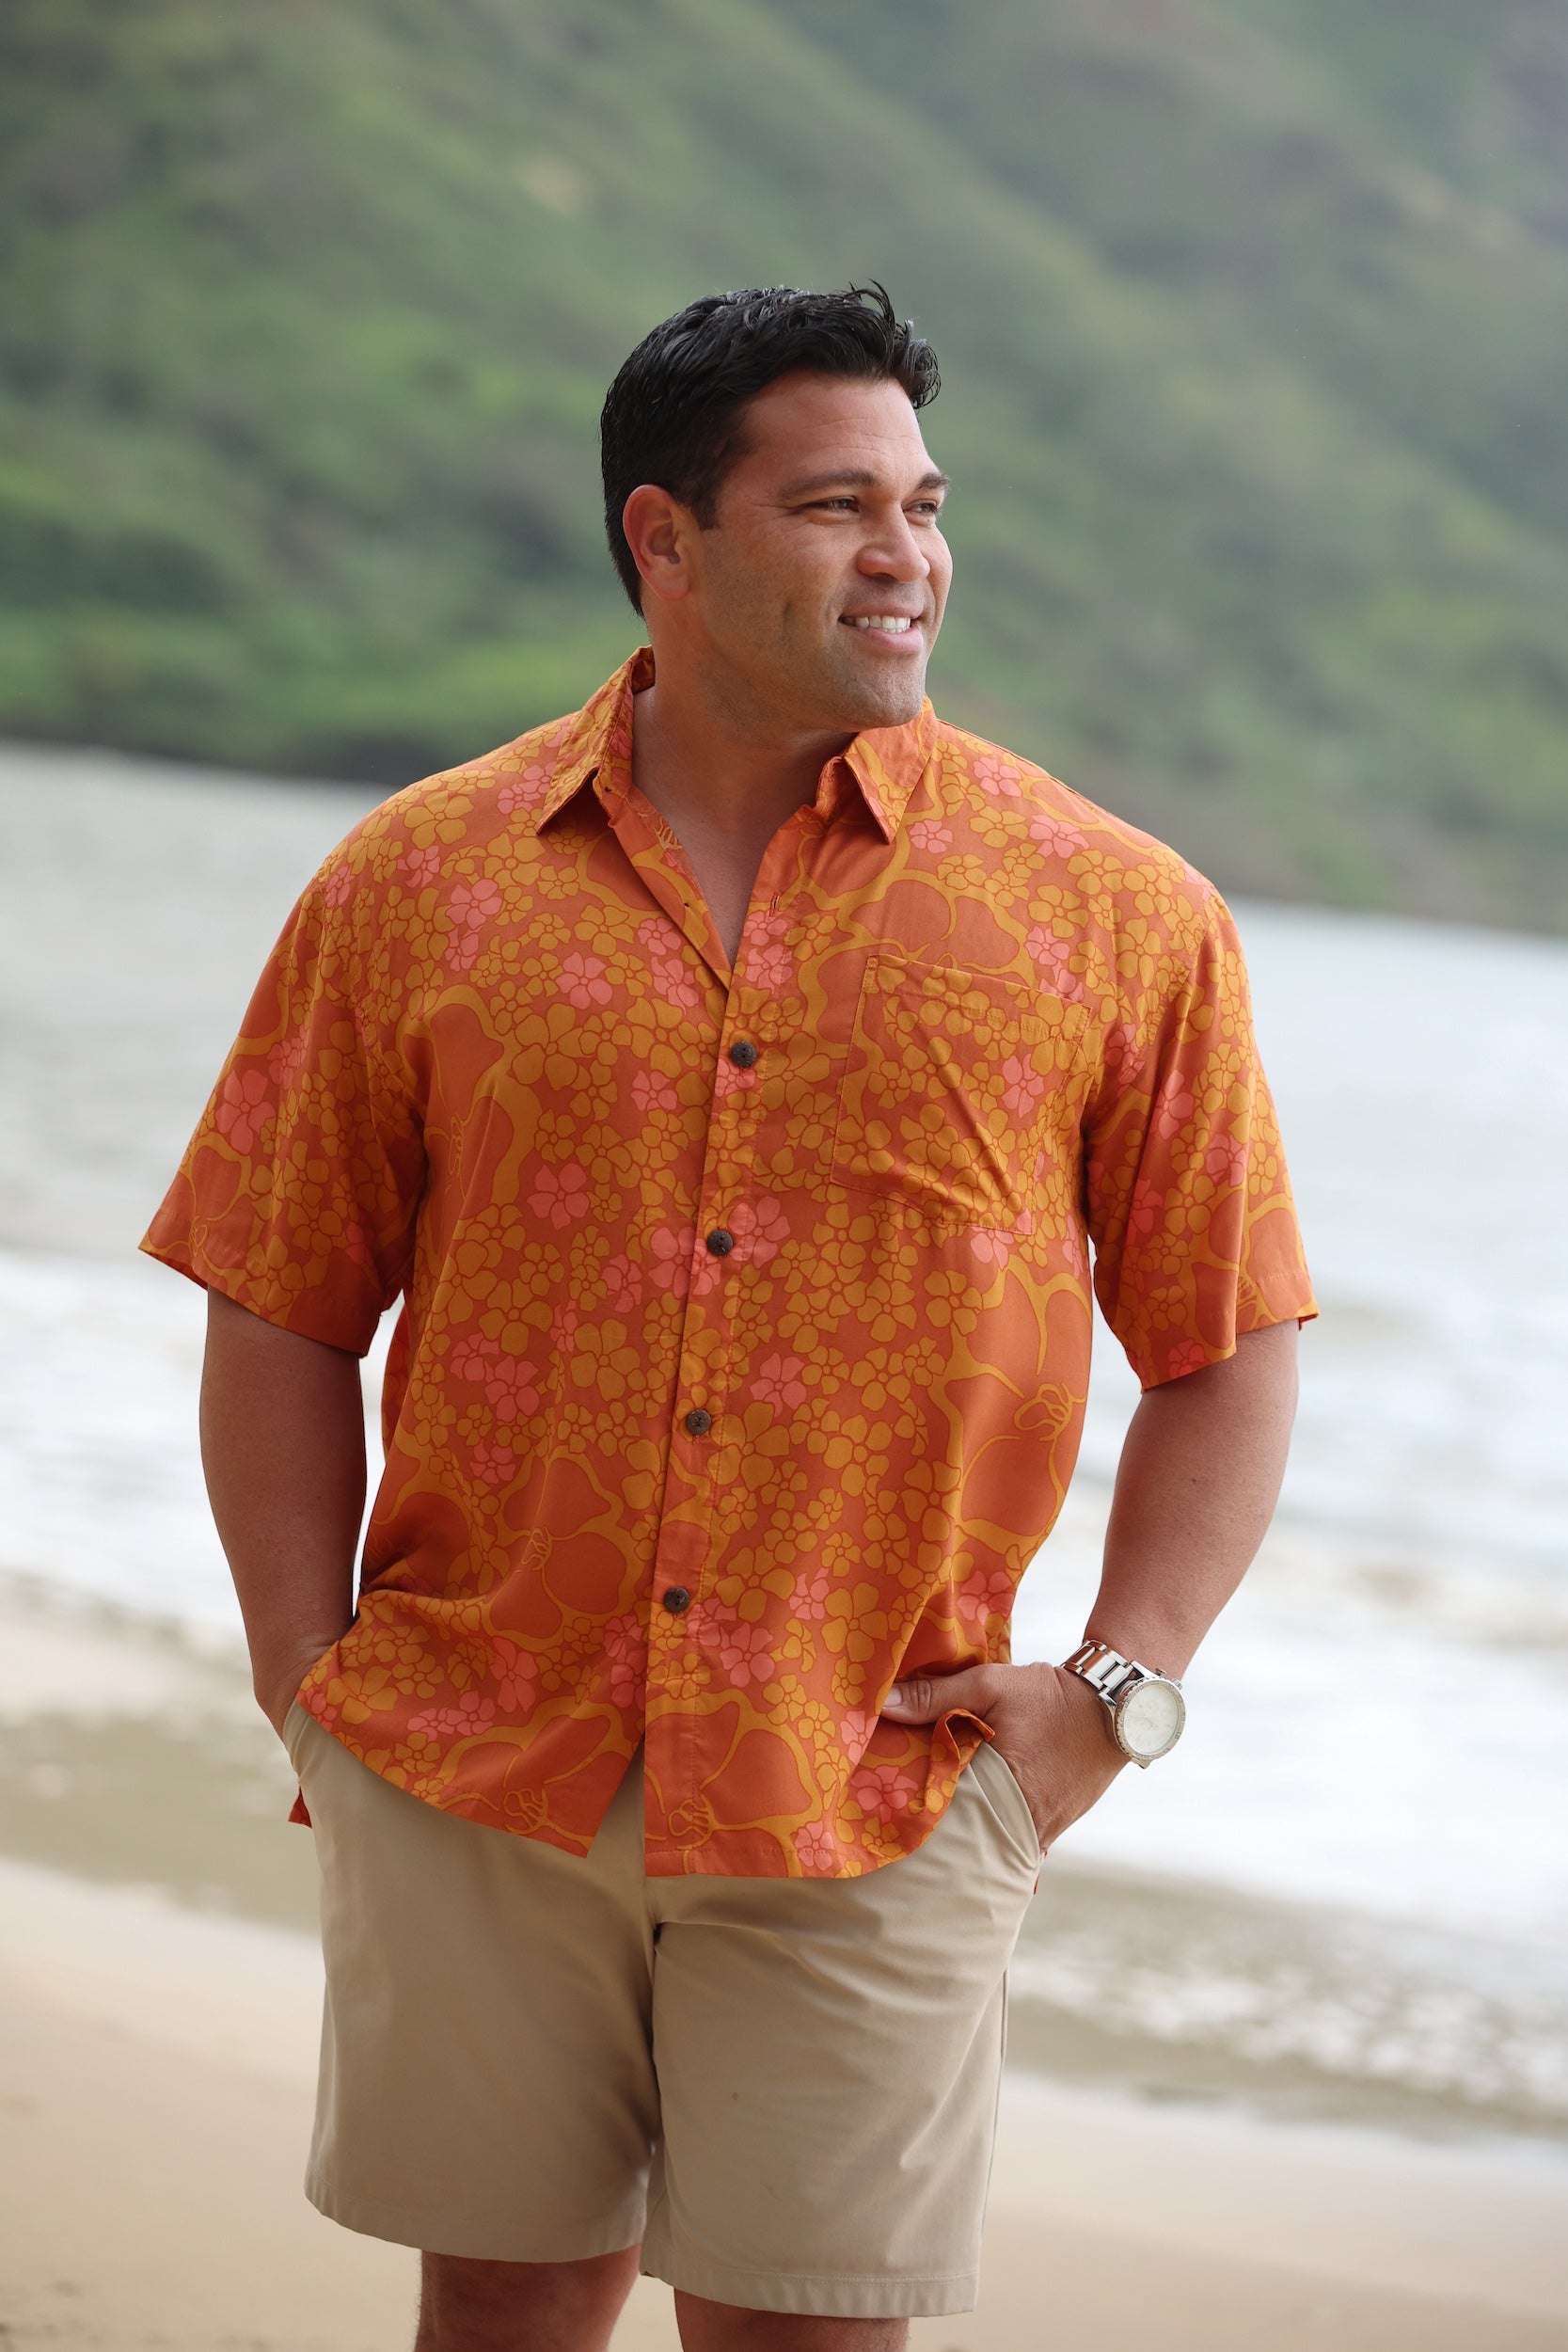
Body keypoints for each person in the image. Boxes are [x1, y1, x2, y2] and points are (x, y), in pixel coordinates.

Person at [144, 282, 1315, 2352]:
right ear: (660, 539)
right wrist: (299, 1667)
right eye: (836, 503)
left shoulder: (1117, 913)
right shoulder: (422, 877)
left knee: (810, 2328)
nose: (907, 556)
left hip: (874, 1773)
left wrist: (1113, 1693)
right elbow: (283, 1292)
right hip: (476, 1751)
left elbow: (1229, 1340)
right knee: (500, 2305)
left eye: (926, 504)